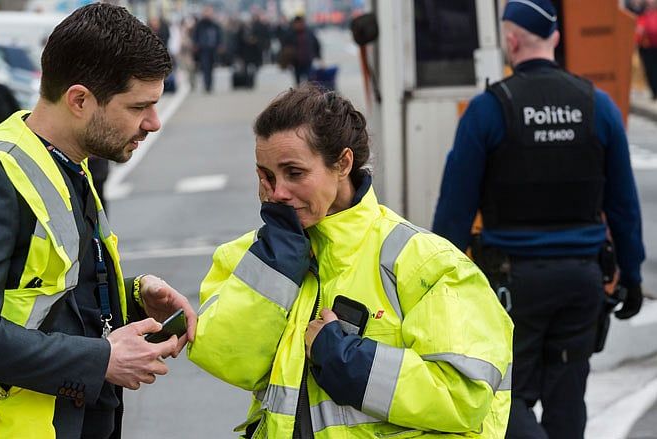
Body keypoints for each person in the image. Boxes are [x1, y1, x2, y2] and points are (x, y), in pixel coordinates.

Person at [0, 4, 197, 438]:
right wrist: (100, 360)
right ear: (80, 100)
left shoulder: (67, 162)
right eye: (138, 106)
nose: (154, 122)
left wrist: (135, 297)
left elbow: (47, 299)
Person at [187, 84, 513, 438]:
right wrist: (276, 265)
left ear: (343, 163)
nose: (277, 192)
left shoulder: (426, 264)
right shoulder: (252, 257)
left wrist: (347, 360)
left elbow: (463, 397)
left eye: (294, 173)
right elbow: (229, 361)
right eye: (266, 176)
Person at [432, 1, 645, 438]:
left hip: (513, 287)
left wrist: (438, 287)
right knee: (568, 401)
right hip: (582, 282)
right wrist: (634, 275)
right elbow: (623, 204)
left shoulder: (489, 110)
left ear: (510, 41)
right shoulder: (597, 106)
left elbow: (454, 210)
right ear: (557, 39)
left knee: (507, 399)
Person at [283, 15, 321, 85]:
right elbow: (285, 47)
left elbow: (316, 44)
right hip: (296, 62)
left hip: (308, 60)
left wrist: (319, 57)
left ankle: (310, 95)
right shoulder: (290, 33)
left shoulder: (309, 32)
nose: (299, 25)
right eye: (297, 23)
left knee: (311, 81)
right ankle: (299, 95)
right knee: (297, 82)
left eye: (301, 23)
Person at [193, 5, 223, 93]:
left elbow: (219, 35)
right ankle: (207, 85)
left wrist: (220, 45)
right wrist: (196, 44)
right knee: (205, 67)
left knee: (211, 67)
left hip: (213, 49)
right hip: (203, 49)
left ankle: (210, 84)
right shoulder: (200, 24)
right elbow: (195, 36)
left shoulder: (215, 24)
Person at [636, 0, 657, 99]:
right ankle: (654, 91)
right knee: (650, 70)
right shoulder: (642, 13)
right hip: (646, 47)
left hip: (651, 46)